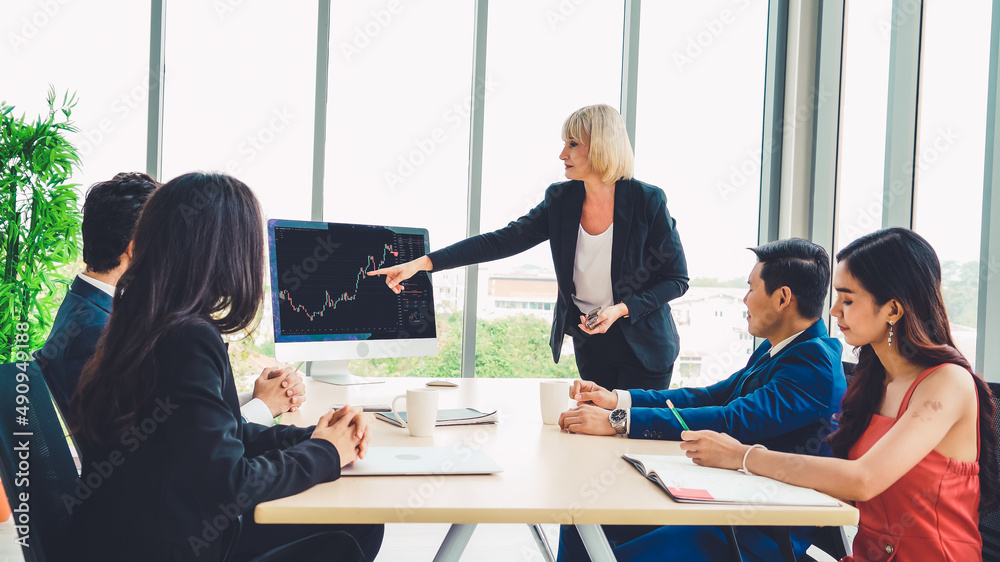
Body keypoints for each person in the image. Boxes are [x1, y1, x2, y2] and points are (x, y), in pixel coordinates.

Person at [69, 173, 383, 561]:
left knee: (354, 520)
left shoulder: (143, 318)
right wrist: (326, 452)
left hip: (141, 534)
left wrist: (314, 437)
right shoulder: (186, 337)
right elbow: (230, 483)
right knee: (356, 527)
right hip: (177, 544)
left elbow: (222, 436)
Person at [682, 228, 999, 561]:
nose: (834, 311)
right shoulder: (875, 384)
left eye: (847, 299)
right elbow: (846, 488)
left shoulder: (946, 383)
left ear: (892, 310)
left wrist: (743, 457)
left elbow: (862, 480)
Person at [557, 238, 846, 561]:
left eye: (751, 288)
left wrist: (618, 423)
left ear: (782, 298)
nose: (745, 298)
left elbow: (731, 420)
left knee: (592, 529)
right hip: (726, 503)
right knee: (579, 522)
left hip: (753, 530)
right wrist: (618, 400)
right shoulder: (782, 347)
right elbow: (710, 396)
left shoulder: (814, 363)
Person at [370, 104, 688, 390]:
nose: (562, 154)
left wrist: (621, 309)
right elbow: (502, 240)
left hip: (644, 348)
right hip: (592, 345)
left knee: (629, 438)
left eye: (573, 144)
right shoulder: (561, 200)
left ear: (602, 147)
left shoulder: (647, 201)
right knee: (595, 436)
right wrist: (422, 263)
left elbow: (676, 279)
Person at [37, 171, 305, 426]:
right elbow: (163, 446)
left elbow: (176, 414)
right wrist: (263, 407)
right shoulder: (94, 333)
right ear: (137, 248)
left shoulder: (86, 307)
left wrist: (258, 398)